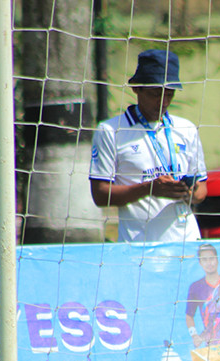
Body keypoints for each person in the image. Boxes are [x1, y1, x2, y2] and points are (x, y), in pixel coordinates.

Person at [89, 49, 208, 243]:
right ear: (136, 88)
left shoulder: (186, 129)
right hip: (139, 246)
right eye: (155, 94)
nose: (163, 102)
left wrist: (190, 193)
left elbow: (202, 188)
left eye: (169, 95)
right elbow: (100, 195)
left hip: (187, 243)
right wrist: (149, 188)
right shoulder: (110, 131)